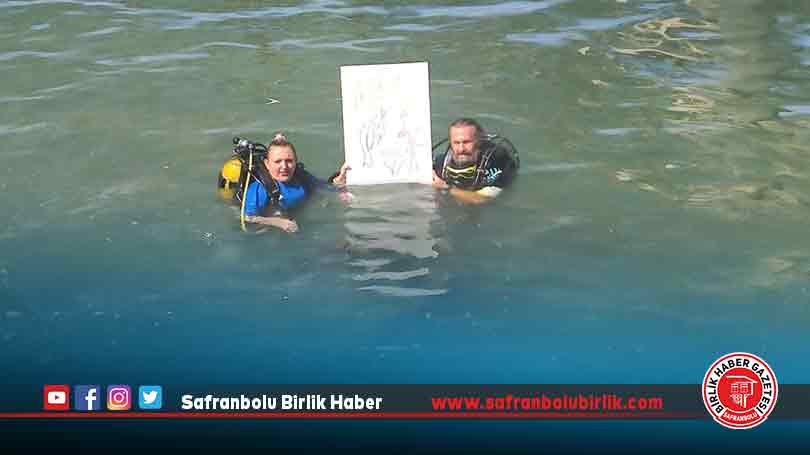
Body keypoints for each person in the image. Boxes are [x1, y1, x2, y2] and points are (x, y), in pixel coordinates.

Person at [243, 133, 350, 232]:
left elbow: (326, 186)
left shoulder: (302, 177)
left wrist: (340, 179)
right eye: (277, 161)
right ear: (267, 164)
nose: (284, 167)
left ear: (295, 161)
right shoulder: (259, 189)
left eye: (289, 161)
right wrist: (278, 222)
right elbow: (248, 218)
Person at [432, 118, 518, 204]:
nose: (461, 149)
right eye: (456, 143)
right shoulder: (442, 163)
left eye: (466, 142)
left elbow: (481, 199)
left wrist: (445, 187)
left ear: (479, 142)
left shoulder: (497, 163)